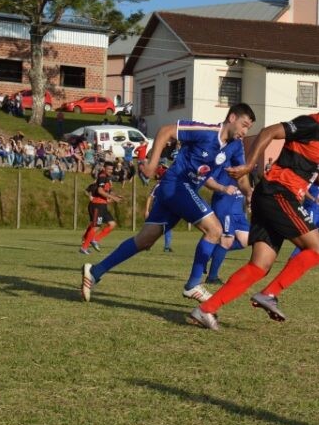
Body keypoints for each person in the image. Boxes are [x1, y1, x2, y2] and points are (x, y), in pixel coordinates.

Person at [189, 83, 319, 330]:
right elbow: (268, 132)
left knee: (258, 266)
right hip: (279, 193)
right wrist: (248, 166)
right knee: (316, 250)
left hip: (271, 196)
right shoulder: (310, 124)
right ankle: (269, 294)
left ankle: (205, 310)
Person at [80, 104, 256, 304]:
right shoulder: (206, 132)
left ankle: (94, 271)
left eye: (248, 128)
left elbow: (242, 176)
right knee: (214, 230)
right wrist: (153, 164)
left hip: (183, 191)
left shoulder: (235, 146)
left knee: (145, 240)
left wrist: (249, 193)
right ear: (232, 118)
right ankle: (193, 284)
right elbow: (166, 131)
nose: (245, 131)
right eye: (244, 125)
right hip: (176, 184)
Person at [202, 160, 253, 287]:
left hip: (238, 210)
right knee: (226, 241)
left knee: (245, 241)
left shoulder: (241, 162)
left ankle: (208, 253)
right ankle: (212, 277)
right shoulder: (221, 161)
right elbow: (208, 180)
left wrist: (249, 196)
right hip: (224, 206)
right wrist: (223, 188)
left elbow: (244, 183)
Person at [79, 160, 122, 255]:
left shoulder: (107, 178)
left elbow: (108, 191)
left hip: (103, 205)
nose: (111, 170)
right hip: (97, 205)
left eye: (112, 169)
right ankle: (84, 247)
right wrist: (113, 198)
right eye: (109, 169)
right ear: (104, 168)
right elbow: (100, 191)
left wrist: (116, 195)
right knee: (95, 226)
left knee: (112, 224)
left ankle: (95, 239)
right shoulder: (102, 176)